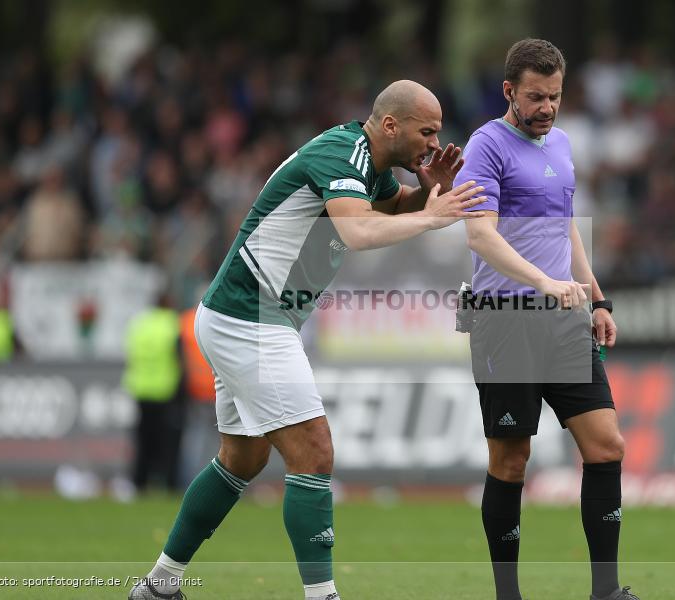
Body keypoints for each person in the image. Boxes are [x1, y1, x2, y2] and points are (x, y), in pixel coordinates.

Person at [128, 79, 486, 600]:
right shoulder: (344, 154)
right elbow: (358, 233)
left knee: (242, 460)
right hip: (249, 316)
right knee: (314, 452)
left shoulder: (369, 163)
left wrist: (430, 195)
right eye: (426, 131)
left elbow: (393, 208)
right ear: (390, 125)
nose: (435, 143)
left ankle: (158, 586)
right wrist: (434, 217)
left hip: (249, 315)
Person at [454, 39, 639, 600]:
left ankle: (604, 591)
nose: (547, 108)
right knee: (511, 461)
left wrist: (596, 298)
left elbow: (566, 229)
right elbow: (479, 234)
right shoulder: (486, 147)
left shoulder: (559, 142)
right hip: (505, 320)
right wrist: (544, 282)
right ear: (510, 91)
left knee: (606, 445)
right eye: (536, 97)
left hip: (563, 318)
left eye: (555, 96)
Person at [122, 299, 185, 494]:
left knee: (143, 440)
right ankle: (169, 484)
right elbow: (180, 358)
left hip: (141, 390)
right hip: (165, 390)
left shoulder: (139, 324)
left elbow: (131, 354)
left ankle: (139, 483)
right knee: (167, 443)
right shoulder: (173, 324)